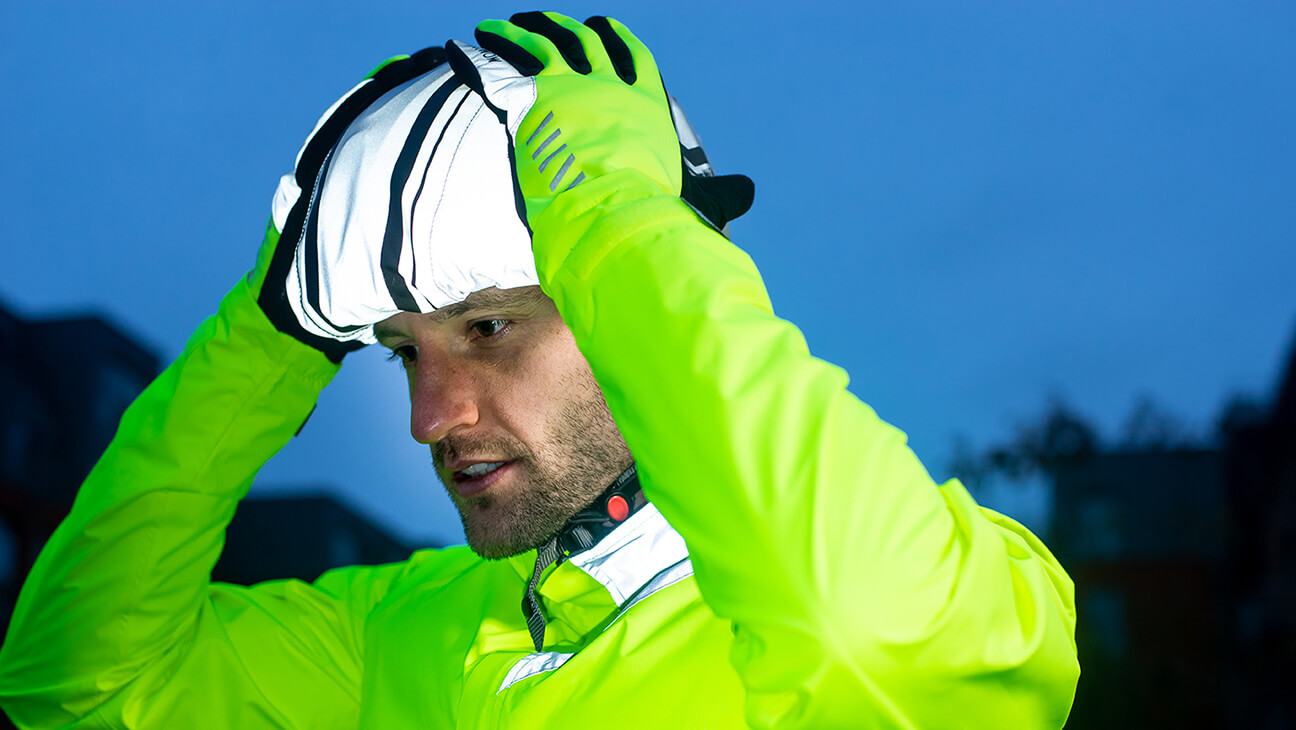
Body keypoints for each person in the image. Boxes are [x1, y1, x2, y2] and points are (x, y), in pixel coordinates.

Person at [0, 12, 1080, 729]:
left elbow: (886, 648)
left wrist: (614, 218)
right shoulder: (398, 628)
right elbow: (77, 682)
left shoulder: (969, 578)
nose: (429, 417)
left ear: (642, 296)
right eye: (401, 352)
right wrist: (275, 326)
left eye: (489, 329)